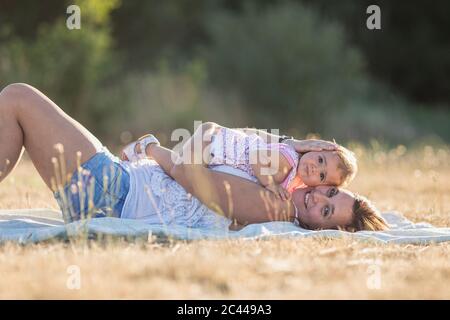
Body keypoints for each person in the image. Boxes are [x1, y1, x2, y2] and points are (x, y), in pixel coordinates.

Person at [0, 83, 388, 232]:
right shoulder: (279, 181)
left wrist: (152, 147)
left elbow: (190, 174)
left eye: (324, 210)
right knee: (17, 103)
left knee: (17, 99)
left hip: (112, 194)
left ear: (323, 230)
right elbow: (234, 139)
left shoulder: (274, 207)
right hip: (117, 185)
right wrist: (295, 143)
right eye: (328, 190)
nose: (317, 196)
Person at [123, 122, 357, 201]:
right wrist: (270, 185)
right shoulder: (288, 161)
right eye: (320, 159)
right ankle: (148, 147)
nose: (316, 168)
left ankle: (141, 162)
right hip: (213, 144)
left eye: (323, 175)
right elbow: (257, 158)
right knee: (178, 170)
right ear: (315, 148)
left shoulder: (295, 176)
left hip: (215, 148)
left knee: (174, 171)